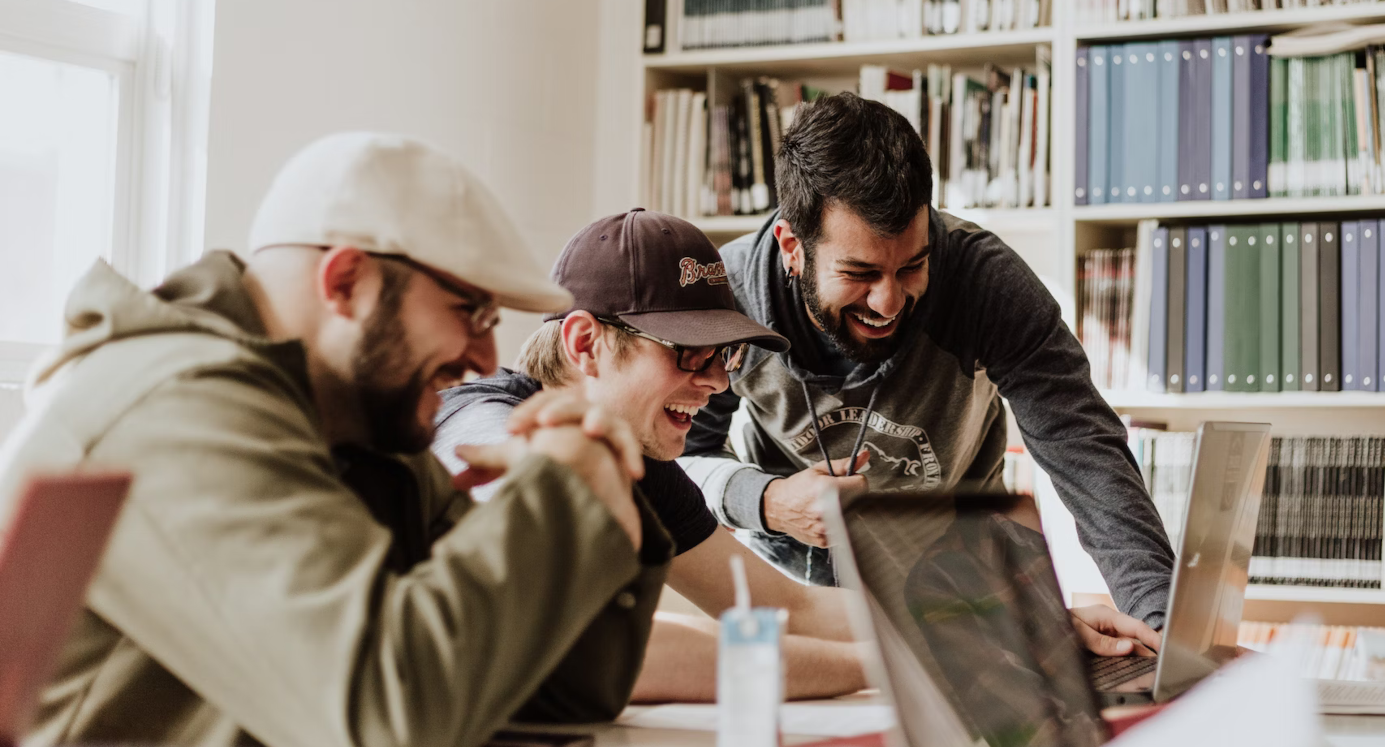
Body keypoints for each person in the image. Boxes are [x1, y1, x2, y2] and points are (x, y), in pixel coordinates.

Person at [0, 133, 671, 747]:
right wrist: (558, 495)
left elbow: (549, 695)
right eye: (470, 311)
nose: (485, 356)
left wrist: (603, 494)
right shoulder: (176, 408)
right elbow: (385, 716)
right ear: (346, 281)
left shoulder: (359, 428)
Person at [432, 210, 1154, 702]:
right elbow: (608, 646)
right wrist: (925, 663)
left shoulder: (638, 459)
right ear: (586, 343)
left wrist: (1014, 626)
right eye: (689, 354)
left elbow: (782, 604)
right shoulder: (486, 428)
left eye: (726, 357)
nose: (717, 383)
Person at [678, 92, 1175, 640]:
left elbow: (1084, 450)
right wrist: (766, 501)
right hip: (794, 598)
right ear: (792, 246)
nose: (889, 302)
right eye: (860, 273)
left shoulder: (985, 281)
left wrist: (1162, 629)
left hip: (962, 586)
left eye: (912, 266)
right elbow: (677, 461)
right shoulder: (729, 297)